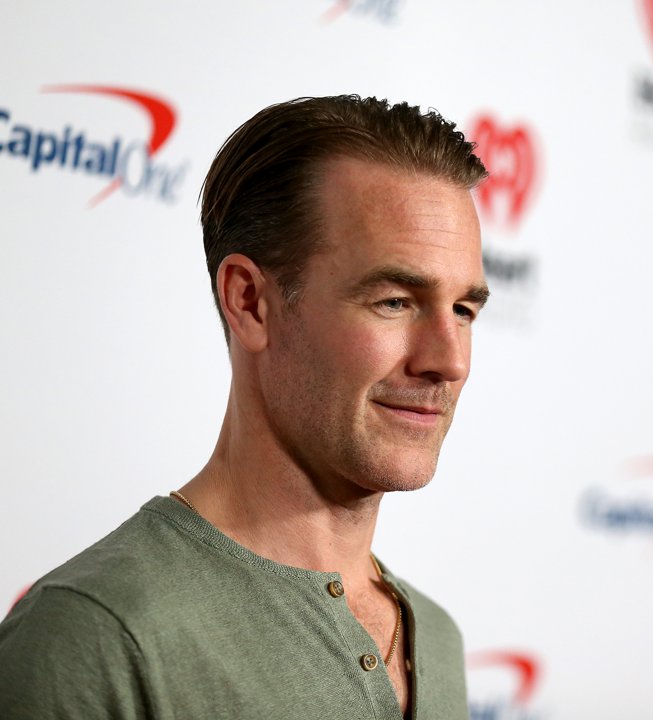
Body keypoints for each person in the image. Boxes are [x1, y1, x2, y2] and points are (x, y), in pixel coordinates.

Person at [0, 95, 490, 719]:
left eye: (464, 310)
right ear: (251, 302)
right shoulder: (94, 637)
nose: (449, 360)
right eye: (394, 301)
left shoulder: (437, 640)